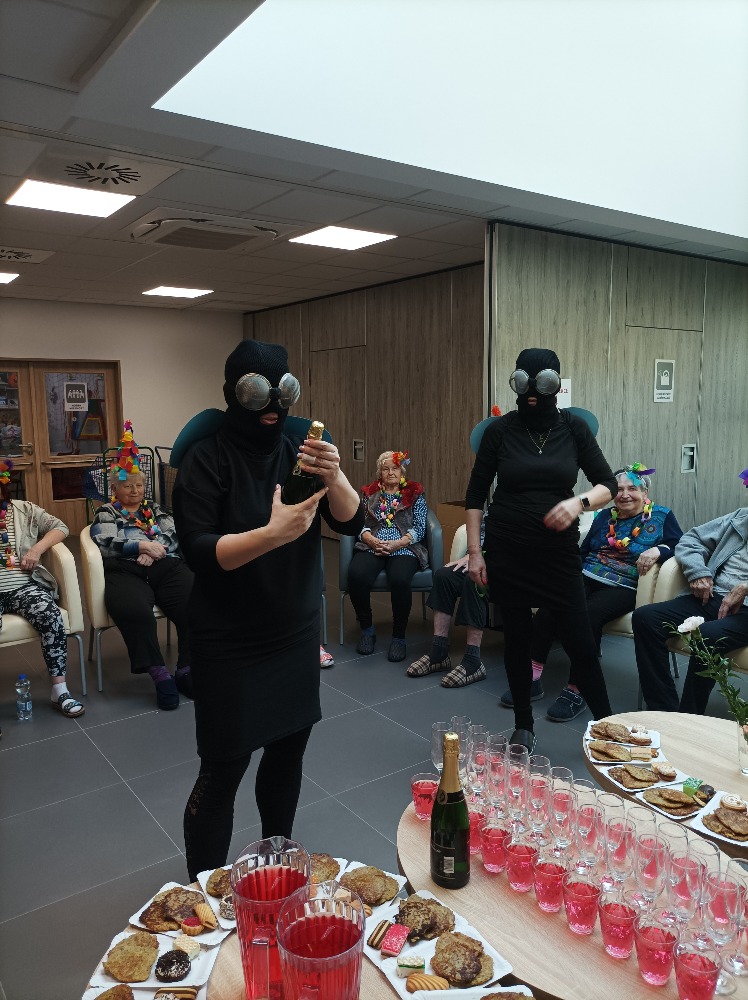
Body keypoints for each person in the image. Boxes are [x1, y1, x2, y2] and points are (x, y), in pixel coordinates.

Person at [173, 340, 363, 881]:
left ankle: (277, 868)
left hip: (293, 633)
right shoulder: (206, 457)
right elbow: (199, 551)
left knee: (286, 755)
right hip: (229, 639)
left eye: (283, 392)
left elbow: (352, 520)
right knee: (223, 769)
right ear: (234, 392)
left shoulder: (301, 449)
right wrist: (273, 534)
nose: (272, 407)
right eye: (258, 393)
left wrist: (336, 477)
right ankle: (205, 894)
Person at [465, 348, 618, 753]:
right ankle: (523, 725)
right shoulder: (500, 431)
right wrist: (476, 553)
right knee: (517, 638)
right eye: (524, 383)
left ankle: (608, 726)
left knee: (581, 642)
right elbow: (476, 495)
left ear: (555, 384)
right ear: (516, 383)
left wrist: (578, 503)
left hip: (557, 554)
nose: (532, 392)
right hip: (507, 550)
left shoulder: (574, 428)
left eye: (542, 383)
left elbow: (608, 484)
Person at [508, 464, 683, 721]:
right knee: (552, 603)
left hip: (624, 584)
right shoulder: (605, 516)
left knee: (587, 615)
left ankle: (577, 689)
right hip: (588, 574)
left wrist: (660, 549)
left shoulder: (662, 516)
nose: (625, 495)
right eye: (619, 489)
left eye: (632, 489)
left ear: (645, 493)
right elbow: (585, 550)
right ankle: (532, 676)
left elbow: (681, 544)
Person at [90, 423, 194, 711]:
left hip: (164, 564)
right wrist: (139, 547)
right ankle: (159, 674)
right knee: (134, 611)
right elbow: (104, 541)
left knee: (195, 601)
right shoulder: (107, 511)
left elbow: (174, 533)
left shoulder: (155, 509)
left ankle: (186, 668)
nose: (135, 491)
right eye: (128, 486)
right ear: (115, 488)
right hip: (126, 570)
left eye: (139, 485)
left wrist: (155, 548)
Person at [632, 470, 748, 713]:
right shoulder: (740, 518)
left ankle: (689, 716)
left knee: (708, 635)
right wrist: (698, 572)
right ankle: (663, 709)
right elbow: (691, 539)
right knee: (645, 618)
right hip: (713, 596)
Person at [0, 459, 84, 717]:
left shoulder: (23, 510)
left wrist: (37, 549)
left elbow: (61, 527)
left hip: (24, 586)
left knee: (50, 615)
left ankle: (59, 690)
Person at [348, 450, 428, 662]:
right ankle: (367, 630)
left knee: (400, 579)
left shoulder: (415, 493)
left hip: (403, 546)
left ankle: (399, 637)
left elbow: (420, 527)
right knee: (356, 575)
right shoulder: (369, 494)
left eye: (395, 468)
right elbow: (358, 522)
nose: (391, 472)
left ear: (402, 471)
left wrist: (398, 543)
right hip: (372, 545)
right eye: (386, 469)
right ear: (380, 473)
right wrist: (369, 539)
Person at [407, 513, 489, 687]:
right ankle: (439, 652)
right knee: (444, 576)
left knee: (474, 580)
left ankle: (473, 661)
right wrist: (473, 554)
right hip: (481, 557)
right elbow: (482, 529)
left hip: (507, 564)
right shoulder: (498, 504)